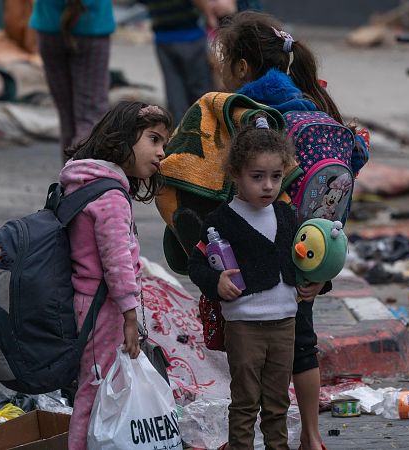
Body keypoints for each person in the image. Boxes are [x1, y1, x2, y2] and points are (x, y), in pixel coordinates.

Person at [211, 11, 369, 450]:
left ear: (242, 67)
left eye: (225, 62)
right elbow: (351, 166)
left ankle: (245, 437)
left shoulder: (249, 115)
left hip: (263, 263)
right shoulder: (315, 109)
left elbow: (220, 187)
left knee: (253, 361)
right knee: (303, 341)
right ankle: (312, 437)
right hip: (315, 253)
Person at [188, 116, 325, 450]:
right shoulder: (221, 220)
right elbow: (196, 263)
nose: (267, 186)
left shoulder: (285, 215)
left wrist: (319, 283)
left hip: (285, 324)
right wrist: (215, 281)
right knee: (246, 402)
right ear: (236, 175)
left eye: (276, 177)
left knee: (278, 403)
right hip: (244, 326)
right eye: (257, 177)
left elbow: (304, 258)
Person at [59, 101, 171, 450]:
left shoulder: (85, 180)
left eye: (164, 143)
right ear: (124, 138)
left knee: (96, 386)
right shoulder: (110, 196)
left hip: (90, 303)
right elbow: (117, 261)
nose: (161, 153)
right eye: (153, 140)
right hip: (102, 308)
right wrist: (128, 315)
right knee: (94, 391)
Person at [30, 0, 115, 160]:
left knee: (66, 114)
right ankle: (84, 177)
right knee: (91, 115)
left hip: (50, 27)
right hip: (92, 27)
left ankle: (69, 176)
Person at [138, 0, 215, 123]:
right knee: (200, 90)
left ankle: (179, 135)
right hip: (190, 35)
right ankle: (205, 129)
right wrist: (210, 17)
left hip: (163, 38)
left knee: (175, 93)